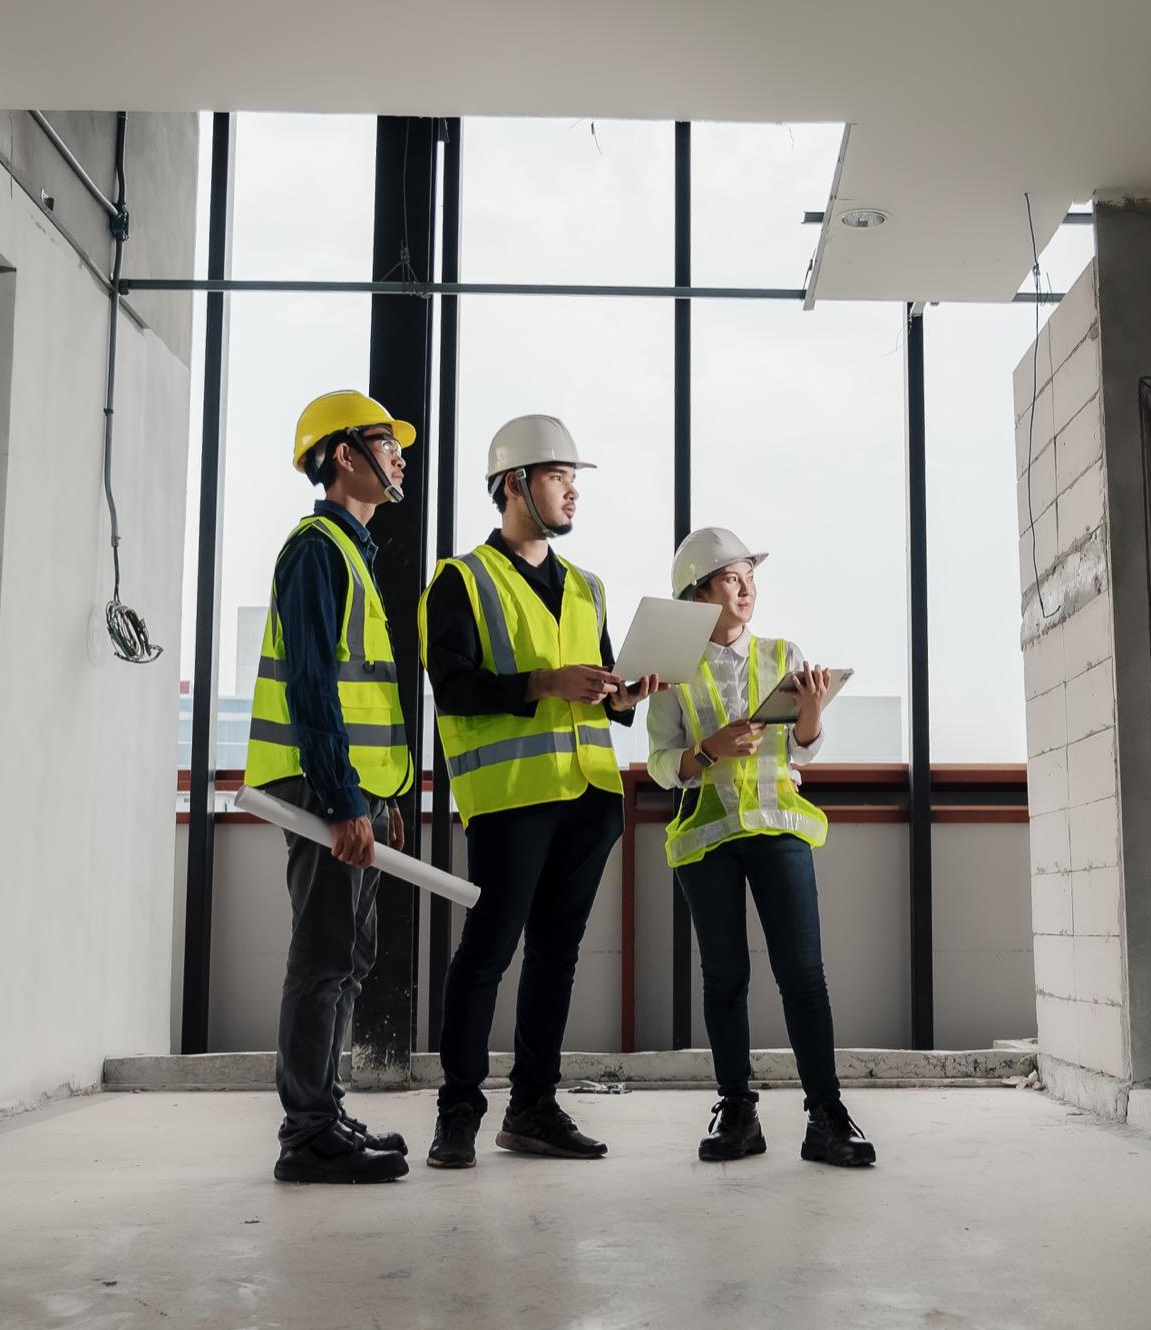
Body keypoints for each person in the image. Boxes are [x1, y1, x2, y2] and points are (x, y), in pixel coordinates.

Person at [420, 414, 663, 1168]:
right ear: (513, 483)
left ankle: (533, 1109)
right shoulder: (461, 579)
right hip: (513, 797)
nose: (572, 492)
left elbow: (601, 693)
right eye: (560, 476)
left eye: (574, 479)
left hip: (589, 795)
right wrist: (545, 682)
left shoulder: (587, 587)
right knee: (487, 952)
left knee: (556, 956)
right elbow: (453, 685)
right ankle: (458, 1110)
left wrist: (629, 693)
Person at [647, 527, 875, 1167]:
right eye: (730, 576)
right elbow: (663, 764)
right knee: (725, 978)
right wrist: (708, 750)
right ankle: (736, 1110)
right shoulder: (670, 672)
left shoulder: (784, 653)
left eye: (749, 573)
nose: (746, 587)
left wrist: (810, 718)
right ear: (698, 593)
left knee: (804, 975)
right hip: (709, 836)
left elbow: (803, 748)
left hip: (780, 829)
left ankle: (826, 1115)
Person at [240, 390, 419, 1185]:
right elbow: (313, 686)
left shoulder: (353, 552)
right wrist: (347, 800)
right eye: (387, 442)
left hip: (352, 795)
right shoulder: (318, 549)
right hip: (323, 794)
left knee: (350, 952)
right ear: (345, 455)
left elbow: (360, 697)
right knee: (323, 954)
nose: (400, 455)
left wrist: (383, 797)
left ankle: (326, 1109)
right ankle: (307, 1129)